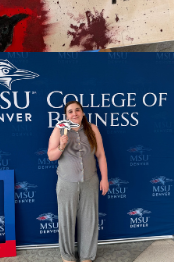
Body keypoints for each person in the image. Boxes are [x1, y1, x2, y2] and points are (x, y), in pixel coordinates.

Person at [47, 101, 108, 262]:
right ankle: (67, 256)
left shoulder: (92, 129)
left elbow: (100, 154)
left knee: (89, 219)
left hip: (90, 181)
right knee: (66, 219)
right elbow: (51, 156)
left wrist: (105, 179)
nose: (74, 114)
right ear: (66, 115)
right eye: (70, 111)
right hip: (67, 183)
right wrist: (61, 146)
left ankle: (87, 256)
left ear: (82, 113)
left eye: (77, 110)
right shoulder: (59, 130)